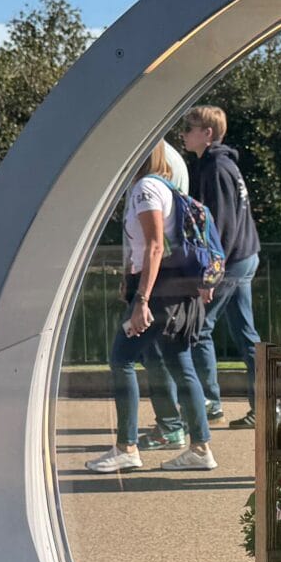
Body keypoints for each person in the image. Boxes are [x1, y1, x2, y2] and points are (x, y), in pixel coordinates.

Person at [84, 139, 213, 474]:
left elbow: (154, 246)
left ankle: (127, 447)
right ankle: (200, 448)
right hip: (179, 293)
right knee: (180, 363)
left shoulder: (144, 189)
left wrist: (141, 299)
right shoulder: (166, 187)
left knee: (121, 358)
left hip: (158, 295)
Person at [176, 106, 261, 429]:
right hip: (243, 256)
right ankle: (265, 406)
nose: (184, 133)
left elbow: (221, 224)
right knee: (245, 334)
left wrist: (210, 275)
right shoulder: (223, 165)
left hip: (233, 260)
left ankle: (210, 403)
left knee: (199, 329)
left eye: (190, 127)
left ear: (207, 133)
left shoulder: (216, 168)